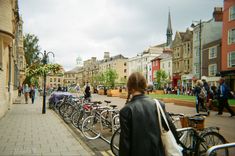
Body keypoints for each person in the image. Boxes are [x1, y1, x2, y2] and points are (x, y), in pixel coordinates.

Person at [119, 72, 178, 156]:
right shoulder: (158, 104)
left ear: (130, 87)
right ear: (144, 86)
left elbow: (125, 144)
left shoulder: (126, 110)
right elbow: (171, 129)